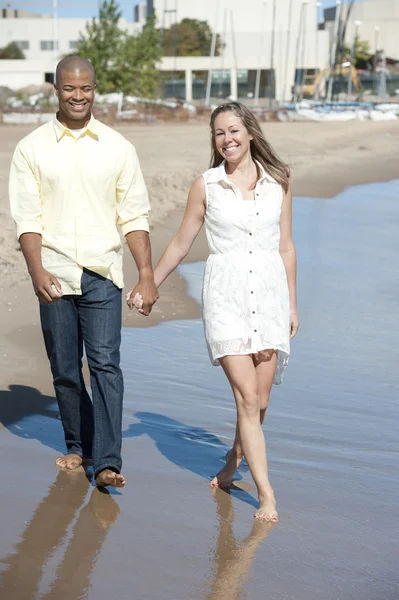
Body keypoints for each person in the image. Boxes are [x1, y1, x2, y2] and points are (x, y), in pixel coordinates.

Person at [128, 102, 298, 520]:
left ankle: (231, 463)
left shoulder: (279, 181)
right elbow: (183, 241)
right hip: (226, 300)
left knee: (260, 401)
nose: (228, 139)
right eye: (220, 133)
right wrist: (149, 282)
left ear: (251, 133)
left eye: (234, 130)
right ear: (214, 140)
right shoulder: (206, 185)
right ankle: (267, 496)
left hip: (271, 299)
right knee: (246, 399)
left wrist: (293, 303)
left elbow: (286, 246)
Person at [9, 56, 158, 488]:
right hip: (53, 269)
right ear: (56, 90)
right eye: (70, 88)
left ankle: (108, 461)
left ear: (95, 90)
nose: (78, 96)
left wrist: (146, 274)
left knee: (106, 364)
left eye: (86, 88)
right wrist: (35, 269)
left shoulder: (117, 147)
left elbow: (134, 216)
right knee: (64, 368)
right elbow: (27, 218)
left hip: (102, 271)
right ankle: (80, 445)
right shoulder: (32, 148)